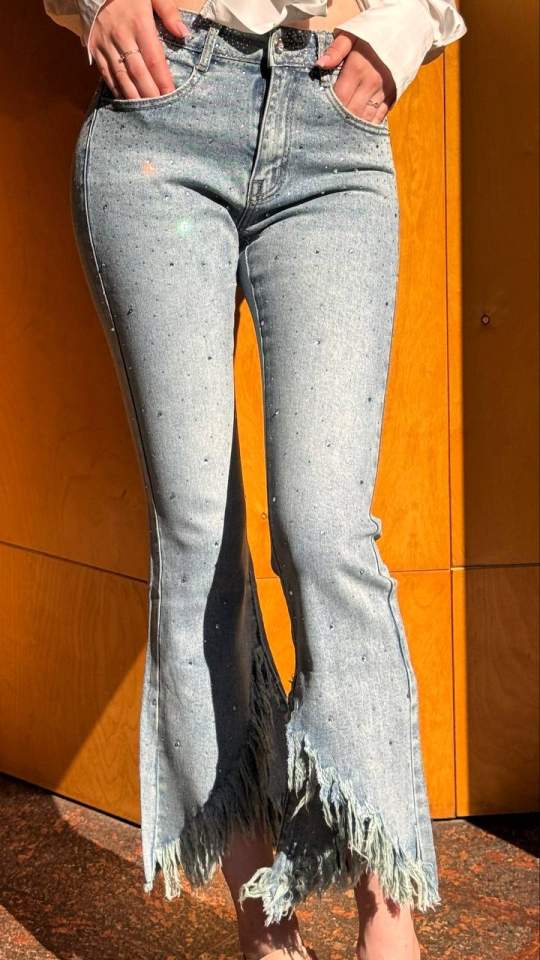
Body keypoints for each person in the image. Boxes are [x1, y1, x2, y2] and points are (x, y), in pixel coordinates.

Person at [43, 2, 467, 958]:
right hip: (160, 120)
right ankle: (264, 922)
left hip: (330, 125)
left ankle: (387, 914)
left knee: (325, 533)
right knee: (199, 537)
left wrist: (401, 31)